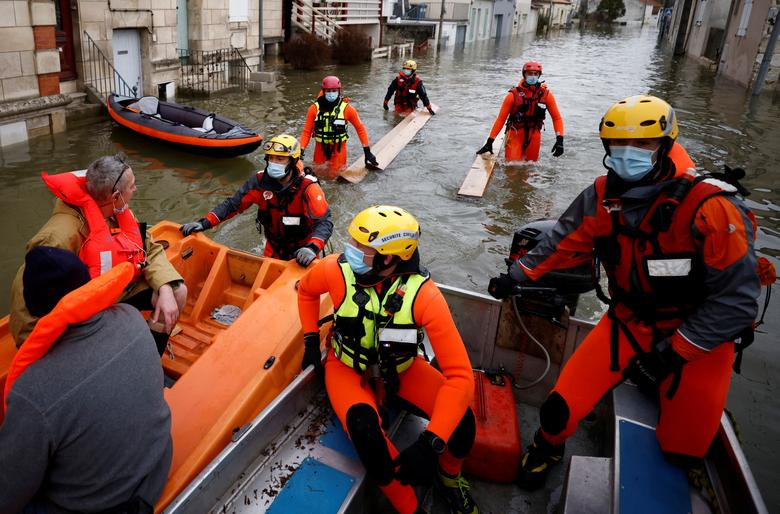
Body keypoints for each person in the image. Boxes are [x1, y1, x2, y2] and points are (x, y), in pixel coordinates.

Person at [488, 95, 761, 489]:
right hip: (629, 321)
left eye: (643, 145)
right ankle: (547, 447)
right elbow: (562, 240)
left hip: (698, 340)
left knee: (681, 452)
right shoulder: (602, 195)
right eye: (618, 146)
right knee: (557, 411)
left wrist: (670, 355)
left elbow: (735, 305)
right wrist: (516, 275)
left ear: (665, 145)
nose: (627, 154)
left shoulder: (713, 208)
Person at [298, 206, 479, 514]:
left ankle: (450, 479)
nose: (350, 251)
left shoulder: (424, 296)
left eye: (361, 248)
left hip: (402, 370)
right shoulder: (334, 269)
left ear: (390, 258)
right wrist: (311, 339)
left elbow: (461, 377)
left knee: (462, 425)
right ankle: (409, 508)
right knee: (367, 437)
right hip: (346, 369)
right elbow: (305, 292)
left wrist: (431, 442)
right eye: (352, 242)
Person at [0, 247, 172, 513]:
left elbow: (7, 496)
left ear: (32, 308)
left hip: (106, 506)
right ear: (86, 286)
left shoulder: (32, 392)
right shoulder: (131, 317)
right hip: (155, 469)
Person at [9, 153, 187, 355]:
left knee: (177, 292)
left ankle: (152, 353)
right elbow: (27, 295)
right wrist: (39, 348)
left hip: (115, 292)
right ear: (115, 196)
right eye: (132, 186)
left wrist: (164, 288)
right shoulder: (58, 236)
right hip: (84, 311)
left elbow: (150, 248)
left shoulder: (117, 211)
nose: (135, 189)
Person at [180, 134, 333, 267]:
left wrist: (312, 248)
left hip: (303, 252)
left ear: (293, 162)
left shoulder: (308, 187)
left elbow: (324, 222)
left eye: (280, 159)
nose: (274, 163)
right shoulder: (259, 182)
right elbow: (233, 205)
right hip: (273, 248)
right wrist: (204, 223)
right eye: (271, 158)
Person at [476, 61, 564, 162]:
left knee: (530, 168)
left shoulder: (546, 95)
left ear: (539, 75)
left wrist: (560, 140)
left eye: (536, 74)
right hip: (515, 134)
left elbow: (557, 118)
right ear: (524, 74)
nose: (533, 76)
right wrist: (490, 141)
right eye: (530, 73)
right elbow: (500, 120)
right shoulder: (512, 95)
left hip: (534, 135)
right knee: (512, 167)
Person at [299, 75, 378, 178]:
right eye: (328, 91)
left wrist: (367, 151)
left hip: (339, 149)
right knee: (318, 177)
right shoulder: (314, 109)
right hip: (320, 149)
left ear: (339, 91)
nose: (331, 93)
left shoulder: (347, 109)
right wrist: (301, 150)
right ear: (323, 91)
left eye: (334, 90)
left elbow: (360, 128)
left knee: (334, 177)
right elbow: (306, 132)